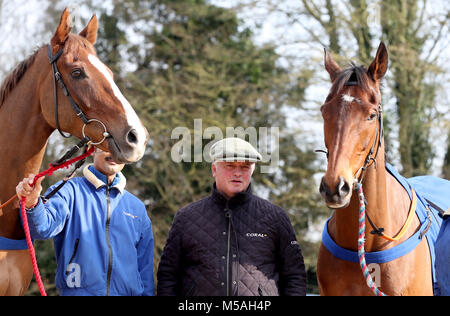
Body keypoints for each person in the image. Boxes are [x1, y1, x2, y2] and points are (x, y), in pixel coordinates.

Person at [157, 137, 307, 296]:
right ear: (214, 169)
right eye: (230, 165)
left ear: (253, 170)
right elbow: (168, 276)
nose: (237, 173)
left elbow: (295, 275)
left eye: (245, 167)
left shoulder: (276, 217)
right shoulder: (186, 218)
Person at [16, 148, 154, 296]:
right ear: (91, 149)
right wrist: (32, 204)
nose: (114, 153)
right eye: (108, 146)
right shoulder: (68, 191)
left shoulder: (137, 207)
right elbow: (42, 228)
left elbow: (145, 269)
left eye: (120, 148)